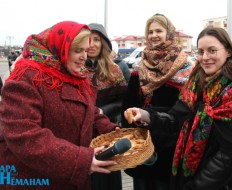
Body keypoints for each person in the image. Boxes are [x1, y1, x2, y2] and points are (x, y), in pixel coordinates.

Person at [125, 26, 232, 190]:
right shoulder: (196, 82)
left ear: (228, 52)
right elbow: (176, 119)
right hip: (185, 174)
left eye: (212, 50)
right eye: (201, 52)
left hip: (217, 183)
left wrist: (197, 186)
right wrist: (147, 116)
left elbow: (231, 155)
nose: (205, 57)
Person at [0, 21, 119, 190]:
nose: (84, 57)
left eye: (85, 51)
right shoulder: (27, 76)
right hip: (31, 179)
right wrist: (80, 160)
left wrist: (111, 130)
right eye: (78, 50)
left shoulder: (75, 77)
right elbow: (23, 135)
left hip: (68, 179)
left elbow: (88, 112)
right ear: (61, 47)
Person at [121, 13, 194, 190]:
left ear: (169, 33)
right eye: (150, 31)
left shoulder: (186, 67)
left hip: (169, 143)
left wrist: (152, 115)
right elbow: (129, 103)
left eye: (159, 30)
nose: (154, 35)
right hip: (142, 143)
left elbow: (185, 109)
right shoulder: (140, 66)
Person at [85, 23, 127, 190]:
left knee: (107, 179)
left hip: (106, 134)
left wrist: (104, 112)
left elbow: (122, 102)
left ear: (103, 43)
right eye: (88, 39)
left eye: (97, 39)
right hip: (82, 138)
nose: (91, 44)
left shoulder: (114, 70)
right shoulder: (74, 68)